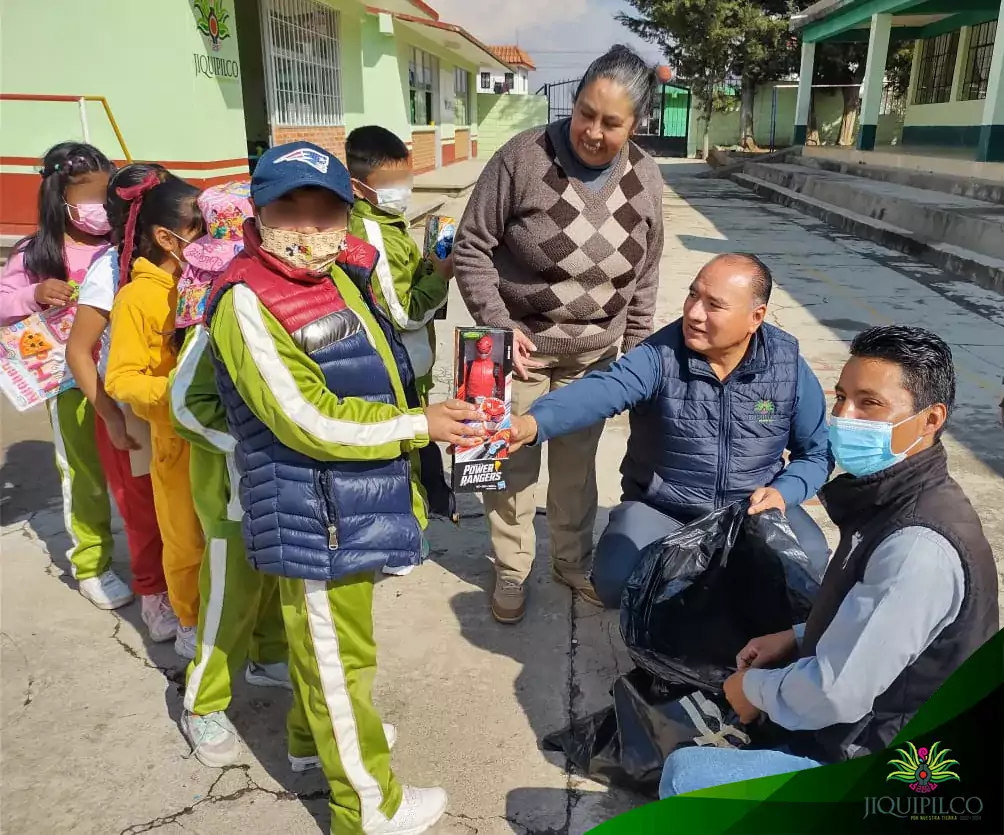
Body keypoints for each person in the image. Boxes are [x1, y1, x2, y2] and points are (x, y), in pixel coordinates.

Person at [203, 141, 485, 834]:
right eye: (288, 210)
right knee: (338, 665)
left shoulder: (338, 273)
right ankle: (371, 808)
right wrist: (419, 424)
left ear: (346, 211)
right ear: (258, 213)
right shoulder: (246, 300)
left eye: (324, 209)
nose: (308, 225)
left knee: (338, 651)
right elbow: (304, 418)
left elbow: (379, 361)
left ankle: (310, 746)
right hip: (311, 508)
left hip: (346, 499)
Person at [659, 326, 999, 797]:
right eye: (840, 397)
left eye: (869, 404)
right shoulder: (892, 500)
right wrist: (796, 637)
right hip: (875, 721)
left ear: (929, 419)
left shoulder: (918, 546)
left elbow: (834, 692)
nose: (844, 416)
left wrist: (752, 689)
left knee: (687, 779)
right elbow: (877, 623)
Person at [454, 45, 667, 624]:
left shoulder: (645, 177)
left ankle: (572, 562)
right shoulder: (523, 157)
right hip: (518, 352)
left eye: (611, 122)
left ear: (636, 124)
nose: (593, 131)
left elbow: (645, 275)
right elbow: (472, 246)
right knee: (510, 466)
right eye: (585, 112)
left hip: (593, 360)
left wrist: (639, 357)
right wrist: (499, 326)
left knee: (577, 471)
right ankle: (511, 568)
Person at [509, 253, 832, 609]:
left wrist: (783, 492)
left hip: (750, 510)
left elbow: (816, 454)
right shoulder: (660, 355)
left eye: (714, 305)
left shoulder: (787, 366)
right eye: (693, 296)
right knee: (616, 584)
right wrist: (532, 424)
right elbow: (602, 391)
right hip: (665, 508)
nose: (693, 313)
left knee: (811, 564)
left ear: (755, 317)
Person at [169, 181, 289, 767]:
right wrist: (248, 446)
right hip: (232, 491)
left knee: (270, 584)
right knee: (227, 598)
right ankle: (203, 701)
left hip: (280, 487)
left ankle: (268, 659)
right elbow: (186, 406)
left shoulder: (286, 298)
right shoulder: (216, 308)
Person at [0, 142, 133, 611]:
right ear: (60, 197)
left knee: (137, 468)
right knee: (84, 473)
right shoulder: (36, 253)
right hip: (70, 381)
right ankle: (93, 563)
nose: (99, 210)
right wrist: (33, 294)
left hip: (126, 374)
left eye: (106, 198)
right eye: (88, 198)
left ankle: (149, 552)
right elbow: (2, 303)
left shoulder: (125, 244)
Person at [65, 163, 174, 641]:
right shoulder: (110, 270)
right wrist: (109, 416)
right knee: (143, 512)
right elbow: (78, 350)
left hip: (172, 403)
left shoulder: (183, 261)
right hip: (129, 410)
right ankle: (154, 598)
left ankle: (185, 589)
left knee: (179, 510)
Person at [105, 173, 206, 660]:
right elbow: (120, 378)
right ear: (168, 237)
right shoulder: (137, 298)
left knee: (223, 537)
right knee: (185, 541)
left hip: (222, 439)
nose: (213, 238)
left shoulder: (209, 283)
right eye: (201, 228)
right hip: (176, 440)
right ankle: (188, 618)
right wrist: (179, 393)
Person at [346, 124, 456, 541]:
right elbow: (405, 314)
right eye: (391, 184)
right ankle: (407, 534)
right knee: (404, 451)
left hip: (410, 361)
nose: (403, 191)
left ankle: (427, 504)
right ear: (361, 187)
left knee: (417, 445)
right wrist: (441, 275)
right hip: (397, 364)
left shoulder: (387, 221)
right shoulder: (372, 234)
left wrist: (427, 264)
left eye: (405, 180)